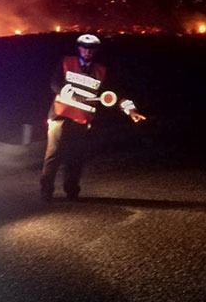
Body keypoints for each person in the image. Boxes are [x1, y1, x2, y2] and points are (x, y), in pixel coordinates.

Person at [40, 33, 146, 201]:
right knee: (53, 154)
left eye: (91, 49)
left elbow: (114, 95)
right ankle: (46, 191)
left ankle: (72, 191)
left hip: (82, 120)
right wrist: (63, 91)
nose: (87, 52)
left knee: (76, 156)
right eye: (84, 48)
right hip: (60, 116)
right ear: (79, 48)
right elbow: (54, 83)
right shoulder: (66, 62)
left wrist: (131, 110)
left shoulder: (101, 71)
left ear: (95, 51)